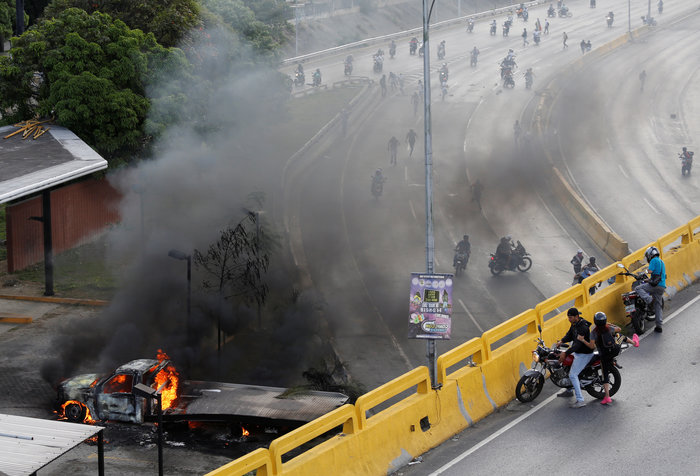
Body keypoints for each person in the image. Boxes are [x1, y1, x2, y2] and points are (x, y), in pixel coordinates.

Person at [579, 312, 639, 405]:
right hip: (614, 350)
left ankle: (607, 397)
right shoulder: (609, 328)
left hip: (604, 355)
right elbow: (619, 329)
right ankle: (635, 343)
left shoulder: (594, 332)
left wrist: (582, 340)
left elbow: (591, 346)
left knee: (605, 375)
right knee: (620, 336)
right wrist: (609, 324)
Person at [556, 308, 593, 408]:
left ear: (576, 316)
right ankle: (569, 390)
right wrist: (561, 341)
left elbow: (577, 345)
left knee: (573, 374)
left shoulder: (583, 327)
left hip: (584, 354)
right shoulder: (574, 324)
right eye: (568, 317)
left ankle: (580, 400)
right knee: (566, 367)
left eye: (570, 317)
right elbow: (570, 335)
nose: (569, 319)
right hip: (578, 353)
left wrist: (566, 353)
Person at [636, 246, 666, 333]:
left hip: (655, 286)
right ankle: (659, 326)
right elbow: (657, 276)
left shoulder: (654, 260)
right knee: (658, 306)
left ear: (650, 255)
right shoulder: (662, 262)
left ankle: (649, 300)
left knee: (638, 288)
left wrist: (643, 273)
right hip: (661, 286)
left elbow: (650, 271)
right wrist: (647, 280)